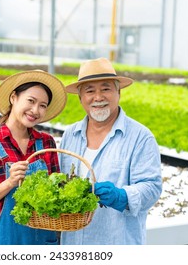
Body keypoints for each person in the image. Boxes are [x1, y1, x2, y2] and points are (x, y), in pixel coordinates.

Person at [58, 57, 162, 245]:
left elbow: (152, 187)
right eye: (90, 91)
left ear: (118, 93)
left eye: (106, 89)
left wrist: (122, 196)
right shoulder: (70, 135)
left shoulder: (140, 137)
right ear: (81, 98)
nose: (98, 97)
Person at [0, 70, 67, 245]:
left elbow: (57, 191)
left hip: (43, 240)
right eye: (31, 101)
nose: (35, 110)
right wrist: (10, 182)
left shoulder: (46, 143)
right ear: (14, 98)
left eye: (43, 105)